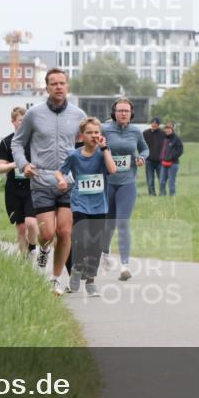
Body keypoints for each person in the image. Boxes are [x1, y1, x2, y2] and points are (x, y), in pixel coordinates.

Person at [12, 68, 86, 295]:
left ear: (67, 86)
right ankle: (44, 250)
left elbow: (87, 144)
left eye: (62, 83)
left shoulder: (78, 114)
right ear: (46, 87)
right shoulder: (34, 114)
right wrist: (24, 164)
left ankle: (55, 278)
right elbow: (17, 142)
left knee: (64, 232)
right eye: (54, 83)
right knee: (46, 234)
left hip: (68, 180)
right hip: (41, 180)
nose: (58, 87)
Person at [56, 117, 118, 297]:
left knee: (96, 245)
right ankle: (76, 268)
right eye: (89, 133)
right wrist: (61, 180)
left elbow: (112, 170)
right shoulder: (75, 155)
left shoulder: (103, 153)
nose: (93, 135)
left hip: (100, 206)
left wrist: (105, 149)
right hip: (80, 204)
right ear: (82, 136)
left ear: (101, 135)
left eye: (96, 132)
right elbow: (60, 171)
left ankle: (91, 281)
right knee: (81, 240)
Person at [101, 98, 149, 280]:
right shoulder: (105, 129)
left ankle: (125, 266)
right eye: (120, 110)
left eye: (126, 111)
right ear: (114, 113)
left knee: (123, 222)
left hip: (127, 182)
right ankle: (105, 254)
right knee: (108, 223)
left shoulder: (135, 131)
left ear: (131, 114)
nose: (123, 113)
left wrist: (142, 158)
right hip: (107, 182)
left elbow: (145, 149)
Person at [0, 106, 39, 258]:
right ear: (13, 122)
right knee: (21, 228)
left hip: (32, 188)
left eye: (25, 120)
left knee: (31, 223)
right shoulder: (6, 142)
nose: (23, 123)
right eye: (20, 120)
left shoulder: (34, 140)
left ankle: (33, 248)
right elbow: (0, 168)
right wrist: (15, 164)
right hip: (13, 190)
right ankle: (24, 261)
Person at [158, 123, 184, 196]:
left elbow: (180, 151)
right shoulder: (164, 138)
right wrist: (161, 157)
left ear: (172, 129)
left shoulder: (176, 139)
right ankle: (162, 195)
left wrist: (171, 157)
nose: (167, 130)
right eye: (166, 129)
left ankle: (172, 196)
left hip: (173, 163)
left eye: (169, 129)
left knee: (171, 182)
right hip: (164, 163)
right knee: (161, 181)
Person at [142, 117, 165, 196]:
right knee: (150, 179)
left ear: (158, 125)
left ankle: (162, 193)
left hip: (160, 161)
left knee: (161, 179)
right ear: (151, 124)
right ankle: (152, 194)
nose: (154, 125)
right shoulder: (145, 133)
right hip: (149, 161)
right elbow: (141, 145)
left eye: (156, 123)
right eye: (153, 123)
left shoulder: (163, 134)